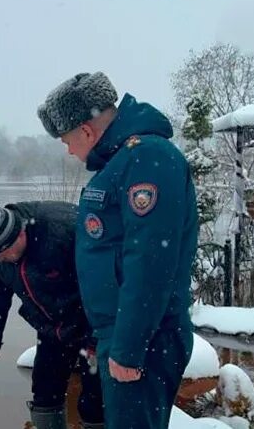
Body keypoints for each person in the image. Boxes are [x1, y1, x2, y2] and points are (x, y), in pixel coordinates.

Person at [37, 72, 198, 429]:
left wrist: (127, 347)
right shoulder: (122, 162)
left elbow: (150, 262)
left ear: (86, 131)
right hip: (130, 333)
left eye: (66, 140)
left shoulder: (147, 159)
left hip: (146, 337)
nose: (69, 150)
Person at [0, 201, 104, 429]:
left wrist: (97, 338)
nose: (1, 258)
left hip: (90, 322)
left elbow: (103, 286)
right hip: (52, 327)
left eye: (6, 251)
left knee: (95, 399)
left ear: (21, 232)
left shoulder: (64, 231)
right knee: (45, 391)